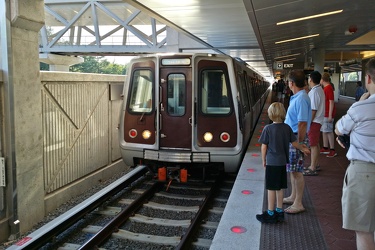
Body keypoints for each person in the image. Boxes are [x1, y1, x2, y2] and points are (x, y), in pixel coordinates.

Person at [335, 58, 375, 250]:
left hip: (365, 172)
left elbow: (338, 129)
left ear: (368, 79)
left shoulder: (361, 108)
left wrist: (358, 104)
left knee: (364, 229)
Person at [256, 102, 310, 223]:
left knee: (271, 188)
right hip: (282, 163)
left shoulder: (268, 129)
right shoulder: (287, 128)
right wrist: (303, 148)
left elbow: (264, 147)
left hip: (271, 162)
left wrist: (263, 160)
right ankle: (279, 211)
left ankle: (270, 213)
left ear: (270, 114)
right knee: (280, 188)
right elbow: (295, 143)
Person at [282, 70, 312, 214]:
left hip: (296, 138)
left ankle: (298, 203)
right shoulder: (299, 97)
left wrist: (299, 144)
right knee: (293, 170)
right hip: (293, 138)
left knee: (297, 172)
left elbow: (302, 123)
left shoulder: (300, 99)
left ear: (291, 83)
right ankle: (293, 196)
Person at [304, 71, 325, 176]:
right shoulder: (318, 90)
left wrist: (308, 123)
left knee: (313, 145)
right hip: (317, 121)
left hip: (314, 121)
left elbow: (313, 110)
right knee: (315, 143)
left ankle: (313, 167)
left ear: (311, 79)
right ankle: (315, 164)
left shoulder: (315, 92)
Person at [320, 72, 337, 157]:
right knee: (324, 130)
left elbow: (331, 102)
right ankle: (325, 147)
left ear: (322, 80)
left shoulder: (328, 88)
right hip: (325, 113)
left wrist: (330, 115)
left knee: (329, 131)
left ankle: (332, 149)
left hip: (327, 113)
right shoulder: (327, 88)